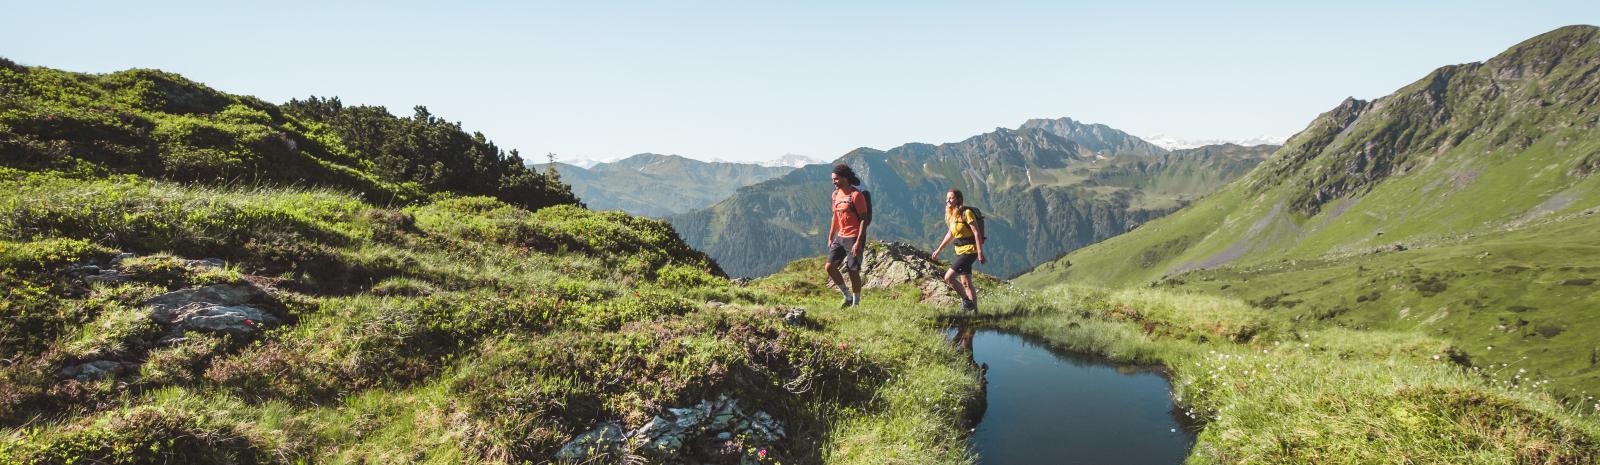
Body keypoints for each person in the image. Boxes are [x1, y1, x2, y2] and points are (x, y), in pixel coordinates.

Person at [932, 188, 985, 312]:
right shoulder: (951, 215)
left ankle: (967, 302)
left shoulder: (966, 213)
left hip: (970, 251)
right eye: (947, 198)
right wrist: (938, 250)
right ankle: (975, 312)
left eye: (951, 198)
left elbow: (976, 233)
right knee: (966, 282)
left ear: (958, 199)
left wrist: (980, 252)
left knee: (948, 278)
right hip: (960, 251)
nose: (948, 200)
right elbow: (950, 235)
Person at [826, 164, 870, 308]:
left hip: (853, 236)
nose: (834, 182)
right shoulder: (835, 195)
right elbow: (835, 216)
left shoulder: (856, 195)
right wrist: (831, 235)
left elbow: (864, 219)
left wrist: (858, 242)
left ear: (845, 178)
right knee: (829, 267)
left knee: (853, 270)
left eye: (836, 179)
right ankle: (847, 296)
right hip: (840, 236)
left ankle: (856, 304)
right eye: (833, 179)